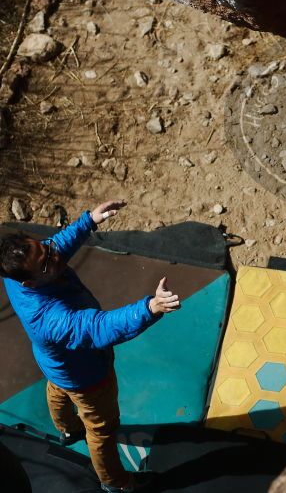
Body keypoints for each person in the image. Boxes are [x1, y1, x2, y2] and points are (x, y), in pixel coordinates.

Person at [0, 201, 181, 493]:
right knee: (101, 429)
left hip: (55, 364)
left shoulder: (22, 270)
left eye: (46, 249)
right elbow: (98, 328)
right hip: (87, 378)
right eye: (47, 262)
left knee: (58, 390)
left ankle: (67, 429)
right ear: (29, 283)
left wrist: (88, 221)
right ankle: (116, 483)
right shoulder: (49, 318)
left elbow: (55, 245)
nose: (56, 256)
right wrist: (150, 307)